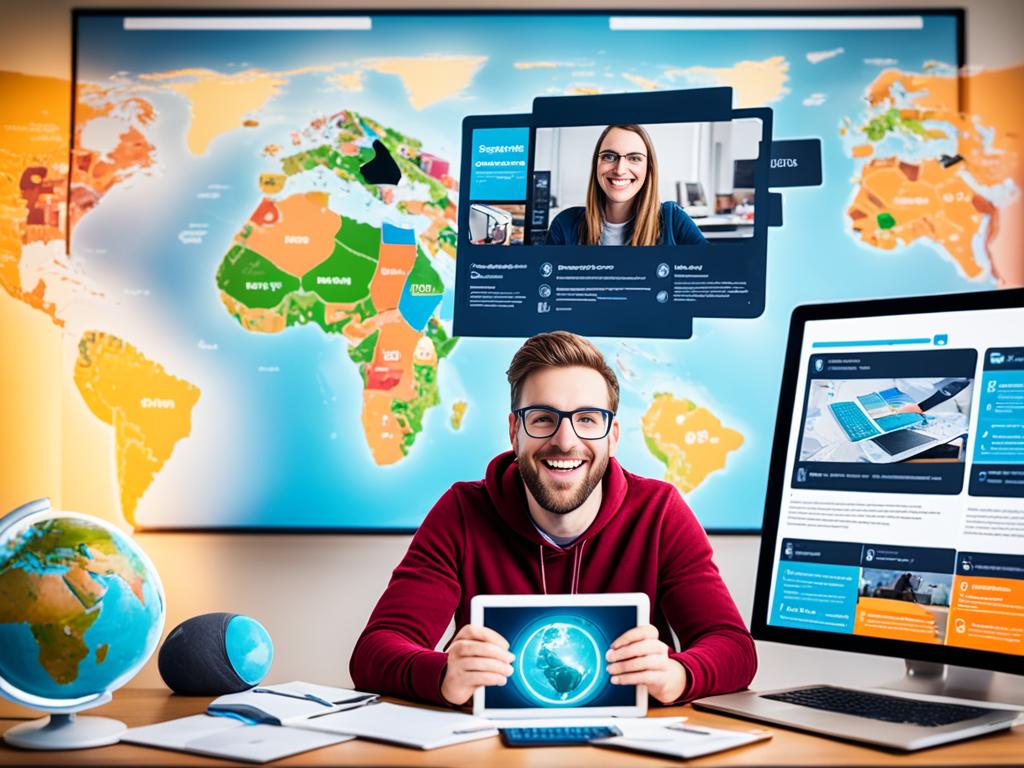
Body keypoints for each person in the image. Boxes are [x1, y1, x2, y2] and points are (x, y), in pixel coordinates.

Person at [350, 331, 756, 707]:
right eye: (543, 418)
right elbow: (374, 652)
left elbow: (734, 648)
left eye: (587, 419)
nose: (565, 440)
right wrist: (442, 675)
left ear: (613, 436)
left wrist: (680, 674)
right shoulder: (462, 511)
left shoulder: (660, 512)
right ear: (514, 431)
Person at [545, 124, 707, 246]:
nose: (620, 170)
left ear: (649, 168)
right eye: (609, 156)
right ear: (596, 164)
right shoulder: (565, 225)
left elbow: (713, 276)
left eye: (634, 158)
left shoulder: (673, 220)